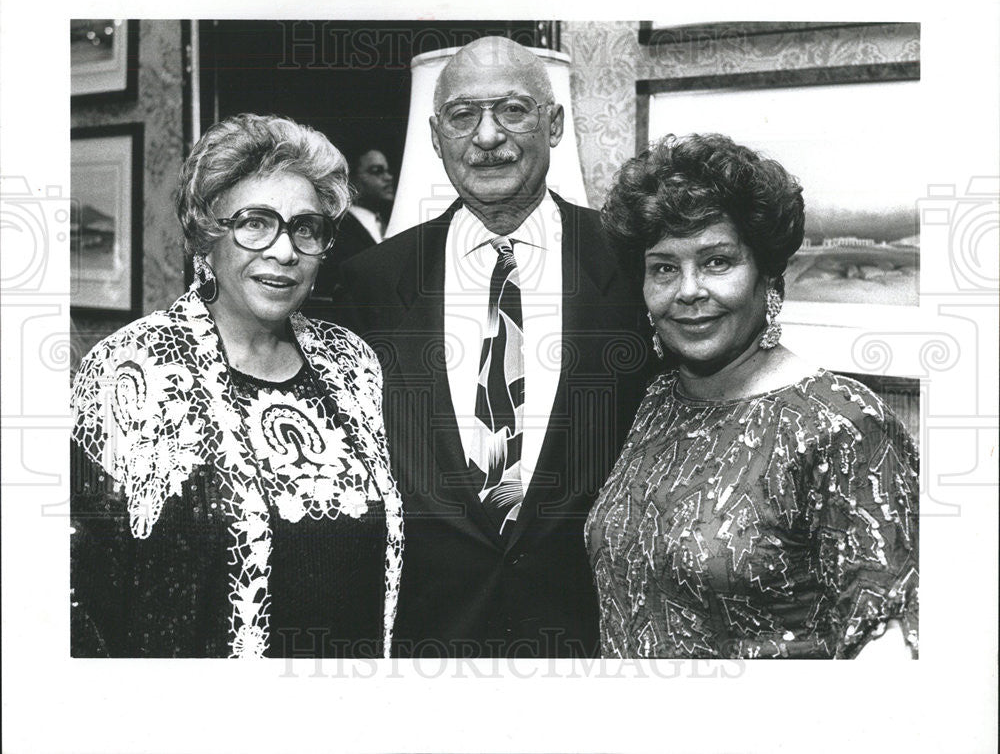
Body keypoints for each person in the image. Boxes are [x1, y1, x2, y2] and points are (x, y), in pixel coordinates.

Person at [331, 37, 651, 657]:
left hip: (586, 642)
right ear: (435, 135)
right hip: (427, 644)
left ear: (553, 124)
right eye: (462, 116)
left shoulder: (633, 264)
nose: (486, 137)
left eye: (512, 110)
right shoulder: (372, 282)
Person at [70, 114, 403, 658]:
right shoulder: (131, 369)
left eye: (306, 228)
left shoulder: (353, 365)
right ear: (207, 236)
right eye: (256, 223)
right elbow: (80, 602)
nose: (284, 251)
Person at [587, 133, 919, 658]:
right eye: (664, 268)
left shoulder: (843, 425)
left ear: (769, 274)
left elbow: (887, 657)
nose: (689, 290)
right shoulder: (656, 403)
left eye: (717, 261)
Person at [309, 148, 395, 304]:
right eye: (377, 171)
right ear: (352, 179)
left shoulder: (390, 223)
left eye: (388, 171)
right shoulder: (338, 228)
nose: (388, 178)